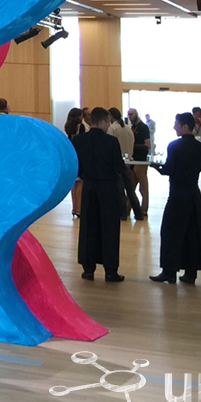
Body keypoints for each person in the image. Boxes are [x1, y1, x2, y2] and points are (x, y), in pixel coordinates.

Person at [150, 113, 201, 284]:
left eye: (176, 124)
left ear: (185, 127)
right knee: (192, 234)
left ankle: (169, 272)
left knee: (170, 232)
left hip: (177, 195)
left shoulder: (174, 146)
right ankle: (191, 273)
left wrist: (156, 166)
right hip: (193, 195)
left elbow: (169, 169)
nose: (174, 127)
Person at [75, 107, 128, 282]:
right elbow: (118, 167)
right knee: (109, 229)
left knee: (88, 227)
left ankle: (88, 269)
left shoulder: (79, 140)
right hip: (108, 189)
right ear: (103, 121)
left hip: (89, 188)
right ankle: (110, 270)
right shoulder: (111, 142)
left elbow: (77, 166)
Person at [108, 107, 144, 221]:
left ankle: (122, 213)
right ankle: (138, 212)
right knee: (130, 189)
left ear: (111, 116)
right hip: (128, 162)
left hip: (117, 162)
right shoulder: (128, 129)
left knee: (119, 189)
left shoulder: (112, 129)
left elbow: (111, 146)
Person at [128, 107, 152, 214]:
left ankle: (144, 209)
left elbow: (147, 145)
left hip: (141, 161)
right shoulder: (132, 128)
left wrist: (133, 146)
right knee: (131, 187)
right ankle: (127, 209)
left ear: (136, 114)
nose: (130, 116)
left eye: (131, 114)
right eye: (128, 114)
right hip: (133, 161)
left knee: (143, 188)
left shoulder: (143, 127)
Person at [63, 107, 85, 217]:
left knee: (74, 183)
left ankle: (74, 208)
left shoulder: (68, 126)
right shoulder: (80, 126)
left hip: (71, 154)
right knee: (80, 182)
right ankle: (79, 208)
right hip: (79, 154)